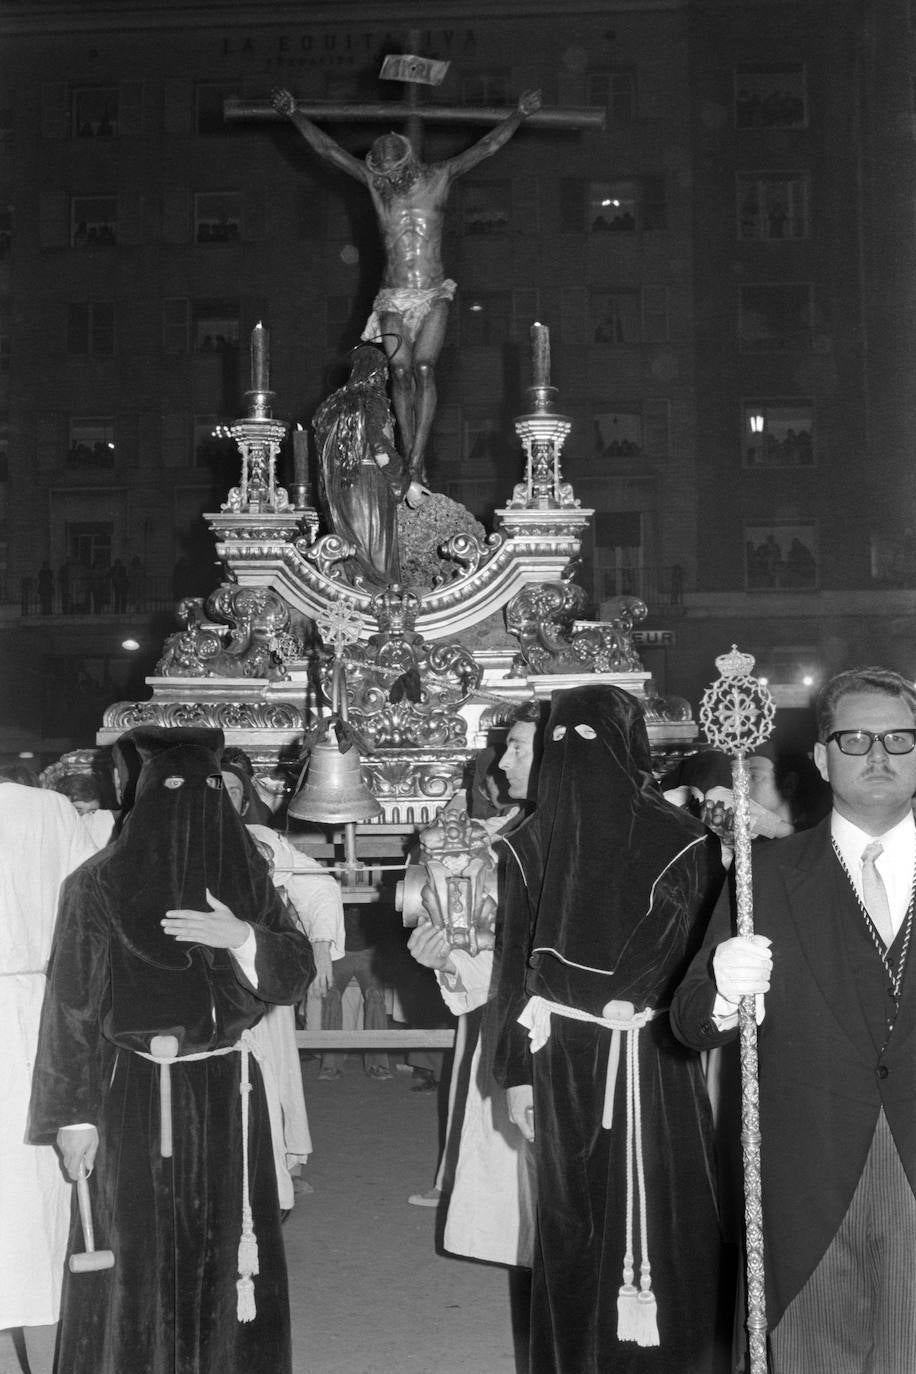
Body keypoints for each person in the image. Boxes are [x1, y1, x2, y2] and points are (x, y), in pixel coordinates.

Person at [28, 726, 315, 1374]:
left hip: (227, 1094)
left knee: (228, 1252)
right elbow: (70, 1011)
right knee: (139, 1256)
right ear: (147, 796)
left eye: (209, 790)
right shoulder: (98, 885)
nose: (194, 806)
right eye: (176, 790)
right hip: (131, 1094)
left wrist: (241, 935)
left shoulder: (246, 877)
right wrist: (73, 1120)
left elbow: (295, 973)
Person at [671, 666, 916, 1373]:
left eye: (900, 739)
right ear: (820, 757)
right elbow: (689, 1022)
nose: (879, 755)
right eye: (856, 738)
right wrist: (722, 989)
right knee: (812, 1353)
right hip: (804, 1166)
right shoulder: (764, 875)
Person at [493, 684, 726, 1374]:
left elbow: (695, 960)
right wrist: (512, 1074)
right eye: (562, 742)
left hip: (652, 1055)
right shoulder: (528, 845)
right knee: (570, 1223)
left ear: (630, 749)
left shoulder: (683, 842)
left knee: (662, 1212)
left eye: (593, 741)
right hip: (558, 1053)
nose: (574, 758)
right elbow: (512, 969)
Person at [271, 86, 542, 482]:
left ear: (407, 162)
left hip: (433, 292)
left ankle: (416, 462)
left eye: (394, 172)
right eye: (383, 173)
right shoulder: (376, 187)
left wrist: (518, 113)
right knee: (399, 373)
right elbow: (329, 152)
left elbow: (485, 147)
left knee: (425, 367)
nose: (390, 179)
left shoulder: (439, 177)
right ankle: (409, 460)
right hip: (393, 297)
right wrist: (294, 114)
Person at [406, 704, 544, 1274]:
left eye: (518, 748)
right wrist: (447, 960)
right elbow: (491, 952)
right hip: (516, 1025)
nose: (502, 762)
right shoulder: (494, 844)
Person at [1, 783, 96, 1374]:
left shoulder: (45, 810)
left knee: (34, 1207)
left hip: (35, 1020)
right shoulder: (47, 808)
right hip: (37, 1012)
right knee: (32, 1211)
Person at [221, 758, 344, 1205]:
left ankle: (283, 1162)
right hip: (207, 977)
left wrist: (320, 944)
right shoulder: (181, 837)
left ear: (245, 798)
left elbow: (319, 887)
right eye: (217, 788)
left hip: (262, 971)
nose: (226, 798)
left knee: (274, 1068)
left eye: (235, 791)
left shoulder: (263, 841)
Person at [312, 343, 427, 587]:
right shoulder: (372, 400)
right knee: (377, 550)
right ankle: (383, 605)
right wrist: (406, 483)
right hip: (370, 485)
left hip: (340, 488)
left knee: (352, 548)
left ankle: (355, 600)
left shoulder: (332, 405)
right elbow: (380, 448)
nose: (386, 379)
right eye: (384, 373)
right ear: (376, 373)